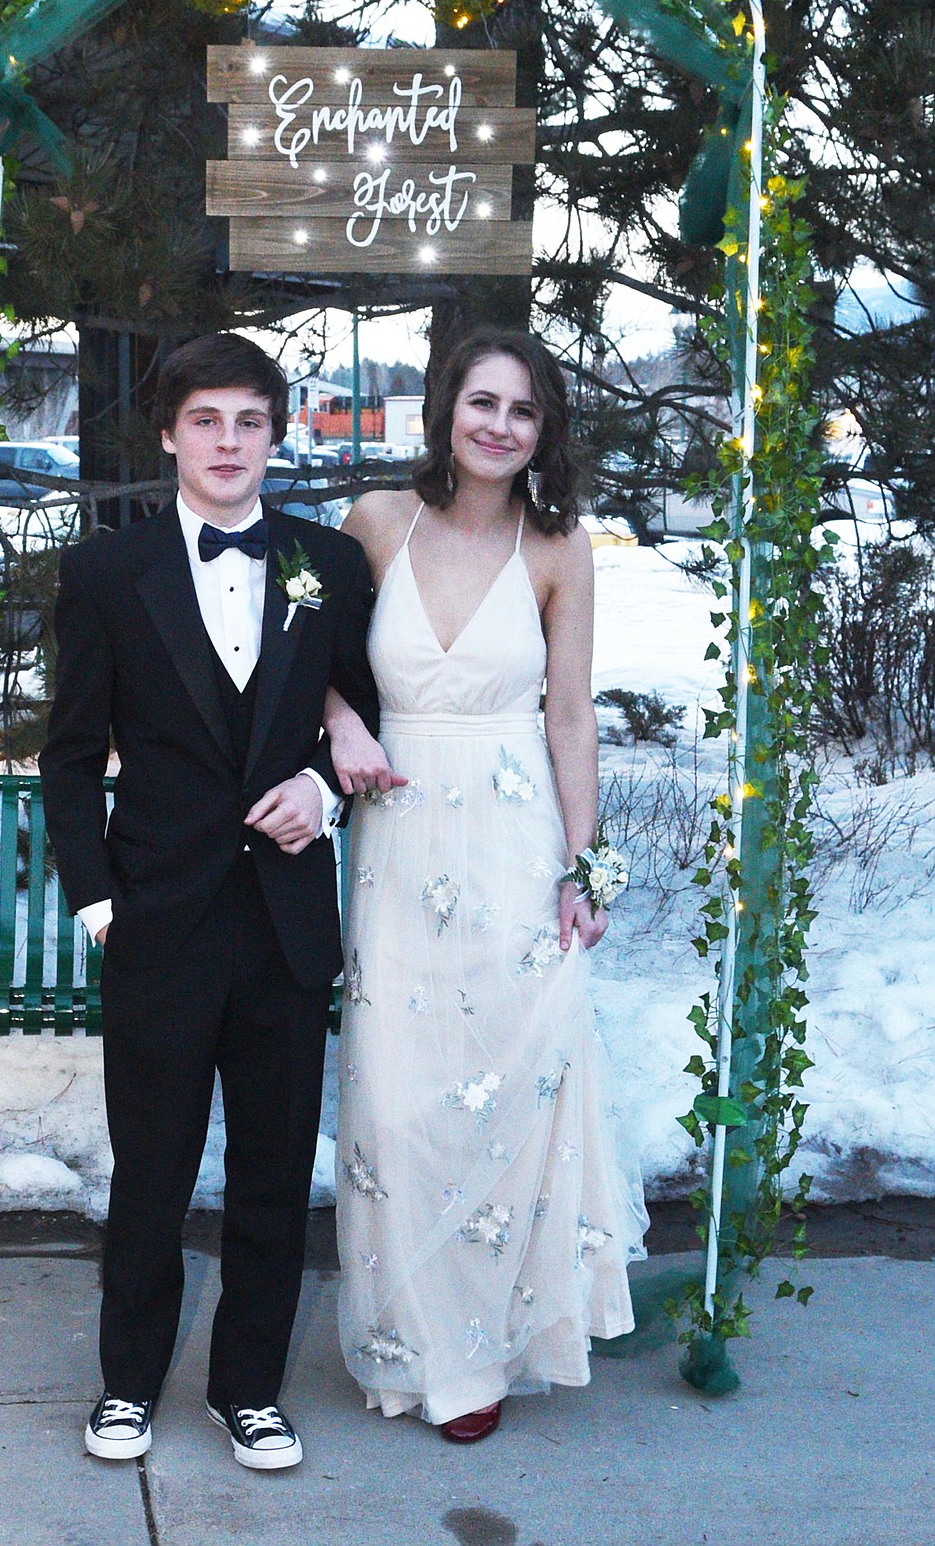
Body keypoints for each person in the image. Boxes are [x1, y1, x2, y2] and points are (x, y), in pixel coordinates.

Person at [39, 332, 378, 1468]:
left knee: (278, 1173)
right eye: (206, 422)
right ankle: (128, 1381)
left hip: (283, 922)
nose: (228, 442)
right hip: (158, 918)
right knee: (150, 1170)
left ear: (276, 435)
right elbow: (71, 753)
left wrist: (322, 791)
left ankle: (249, 1387)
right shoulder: (105, 574)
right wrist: (98, 902)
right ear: (171, 435)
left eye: (250, 421)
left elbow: (360, 719)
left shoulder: (327, 561)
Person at [324, 326, 646, 1442]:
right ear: (446, 410)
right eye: (482, 401)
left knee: (510, 1085)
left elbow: (568, 711)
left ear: (543, 429)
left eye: (523, 409)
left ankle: (489, 1350)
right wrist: (341, 718)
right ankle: (416, 1341)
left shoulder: (559, 546)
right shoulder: (374, 522)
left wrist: (583, 862)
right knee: (402, 1100)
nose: (499, 425)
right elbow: (306, 658)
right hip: (400, 833)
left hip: (513, 841)